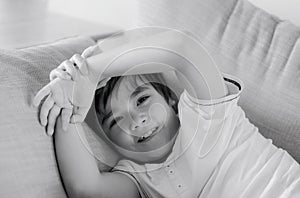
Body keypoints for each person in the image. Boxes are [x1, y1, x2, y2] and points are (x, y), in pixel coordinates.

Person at [33, 31, 300, 198]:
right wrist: (67, 98)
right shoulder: (139, 178)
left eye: (142, 99)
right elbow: (87, 191)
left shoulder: (209, 116)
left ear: (170, 99)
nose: (137, 120)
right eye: (116, 121)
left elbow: (182, 48)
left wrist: (91, 71)